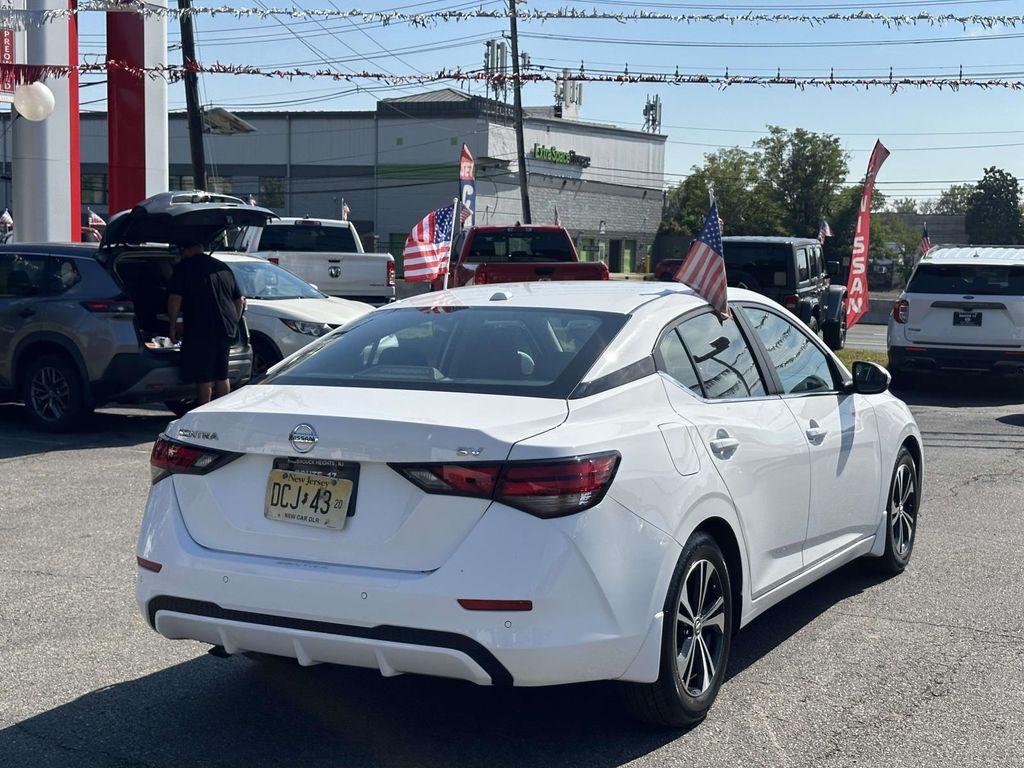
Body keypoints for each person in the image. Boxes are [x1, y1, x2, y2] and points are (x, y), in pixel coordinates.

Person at [167, 241, 244, 406]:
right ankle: (223, 409)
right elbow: (240, 301)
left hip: (202, 328)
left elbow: (175, 299)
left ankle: (203, 411)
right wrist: (234, 322)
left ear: (186, 250)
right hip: (226, 328)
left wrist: (172, 326)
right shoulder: (222, 267)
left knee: (205, 376)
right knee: (221, 374)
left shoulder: (185, 267)